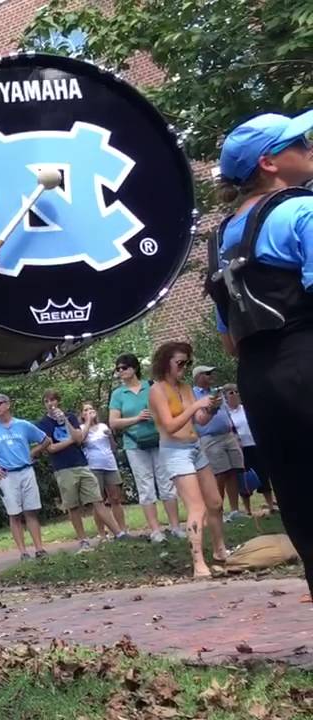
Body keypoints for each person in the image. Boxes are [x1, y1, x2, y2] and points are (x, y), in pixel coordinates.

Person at [210, 110, 313, 594]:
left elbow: (229, 339)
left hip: (259, 380)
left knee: (300, 501)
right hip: (306, 356)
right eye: (300, 142)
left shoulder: (220, 239)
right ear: (269, 163)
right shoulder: (302, 212)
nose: (309, 147)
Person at [147, 342, 229, 578]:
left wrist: (211, 408)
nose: (184, 367)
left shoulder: (185, 388)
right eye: (180, 363)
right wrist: (195, 407)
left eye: (187, 363)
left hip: (195, 446)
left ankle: (220, 550)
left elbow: (200, 420)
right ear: (166, 363)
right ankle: (198, 562)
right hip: (175, 451)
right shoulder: (157, 390)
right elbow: (170, 426)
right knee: (197, 506)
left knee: (215, 502)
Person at [37, 390, 127, 551]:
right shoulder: (43, 424)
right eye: (46, 401)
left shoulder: (70, 417)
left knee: (97, 500)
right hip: (63, 468)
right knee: (72, 506)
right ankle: (83, 540)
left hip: (82, 464)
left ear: (58, 402)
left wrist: (65, 421)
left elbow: (79, 439)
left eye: (53, 400)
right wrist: (72, 440)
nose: (50, 404)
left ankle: (119, 534)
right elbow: (51, 448)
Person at [108, 354, 184, 542]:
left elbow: (169, 410)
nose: (121, 371)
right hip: (134, 444)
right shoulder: (118, 394)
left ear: (134, 368)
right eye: (118, 369)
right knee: (145, 486)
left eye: (124, 367)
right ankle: (156, 530)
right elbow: (113, 422)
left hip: (159, 440)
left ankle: (175, 527)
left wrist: (157, 416)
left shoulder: (151, 386)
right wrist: (136, 419)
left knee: (167, 483)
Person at [0, 394, 51, 560]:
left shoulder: (23, 425)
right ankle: (23, 552)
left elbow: (46, 440)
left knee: (31, 511)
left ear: (8, 405)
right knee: (14, 514)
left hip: (26, 470)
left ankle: (39, 549)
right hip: (6, 475)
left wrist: (34, 451)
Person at [190, 365, 248, 521]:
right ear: (198, 377)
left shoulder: (217, 392)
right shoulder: (193, 394)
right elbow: (196, 417)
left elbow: (227, 412)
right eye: (207, 373)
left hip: (228, 435)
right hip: (210, 438)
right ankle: (218, 511)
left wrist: (235, 434)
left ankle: (235, 510)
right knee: (219, 474)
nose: (211, 376)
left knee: (233, 471)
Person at [223, 384, 279, 515]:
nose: (235, 395)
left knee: (263, 475)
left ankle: (271, 506)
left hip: (254, 445)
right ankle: (247, 510)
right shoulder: (226, 414)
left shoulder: (246, 409)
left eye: (237, 391)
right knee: (244, 479)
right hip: (239, 450)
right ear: (225, 397)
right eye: (231, 393)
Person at [80, 403, 127, 537]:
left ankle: (123, 530)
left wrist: (111, 436)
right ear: (82, 415)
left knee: (115, 498)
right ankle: (102, 534)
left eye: (91, 409)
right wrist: (88, 422)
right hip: (93, 466)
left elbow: (113, 447)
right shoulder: (82, 428)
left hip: (110, 464)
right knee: (98, 500)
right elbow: (81, 440)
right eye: (86, 410)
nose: (89, 411)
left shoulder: (103, 426)